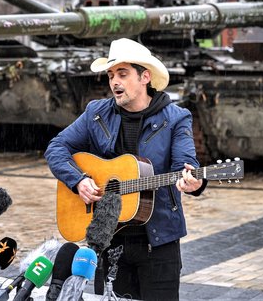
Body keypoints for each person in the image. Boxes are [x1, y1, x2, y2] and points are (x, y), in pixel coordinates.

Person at [45, 37, 207, 300]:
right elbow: (56, 148)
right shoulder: (96, 113)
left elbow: (185, 166)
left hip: (158, 242)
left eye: (122, 74)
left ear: (145, 77)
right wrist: (78, 181)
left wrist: (194, 181)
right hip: (109, 241)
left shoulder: (176, 118)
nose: (114, 82)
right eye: (110, 75)